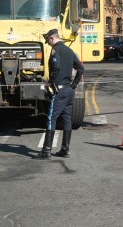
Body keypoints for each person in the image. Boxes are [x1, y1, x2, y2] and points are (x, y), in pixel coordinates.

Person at [36, 29, 84, 159]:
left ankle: (46, 151)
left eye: (48, 41)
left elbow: (56, 68)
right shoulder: (69, 51)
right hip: (68, 90)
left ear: (52, 38)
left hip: (59, 90)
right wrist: (74, 84)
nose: (48, 44)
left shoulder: (56, 51)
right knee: (66, 117)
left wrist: (51, 82)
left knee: (51, 118)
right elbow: (80, 68)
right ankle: (65, 149)